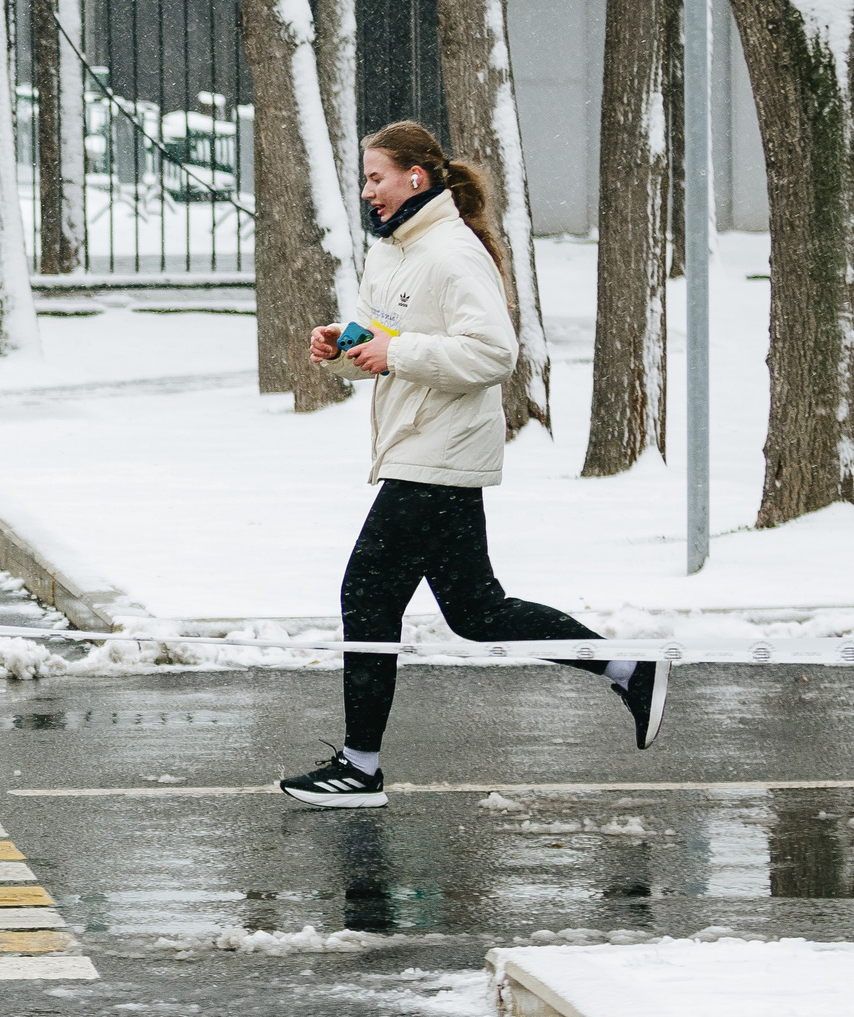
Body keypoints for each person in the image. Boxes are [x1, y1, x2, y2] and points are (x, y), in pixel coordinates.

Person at [277, 120, 669, 809]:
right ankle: (630, 666)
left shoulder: (453, 253)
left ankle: (361, 766)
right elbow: (382, 342)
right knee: (476, 610)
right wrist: (342, 347)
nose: (367, 190)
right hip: (416, 445)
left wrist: (395, 354)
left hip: (442, 449)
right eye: (366, 178)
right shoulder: (393, 252)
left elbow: (494, 353)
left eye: (377, 176)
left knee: (367, 592)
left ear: (415, 178)